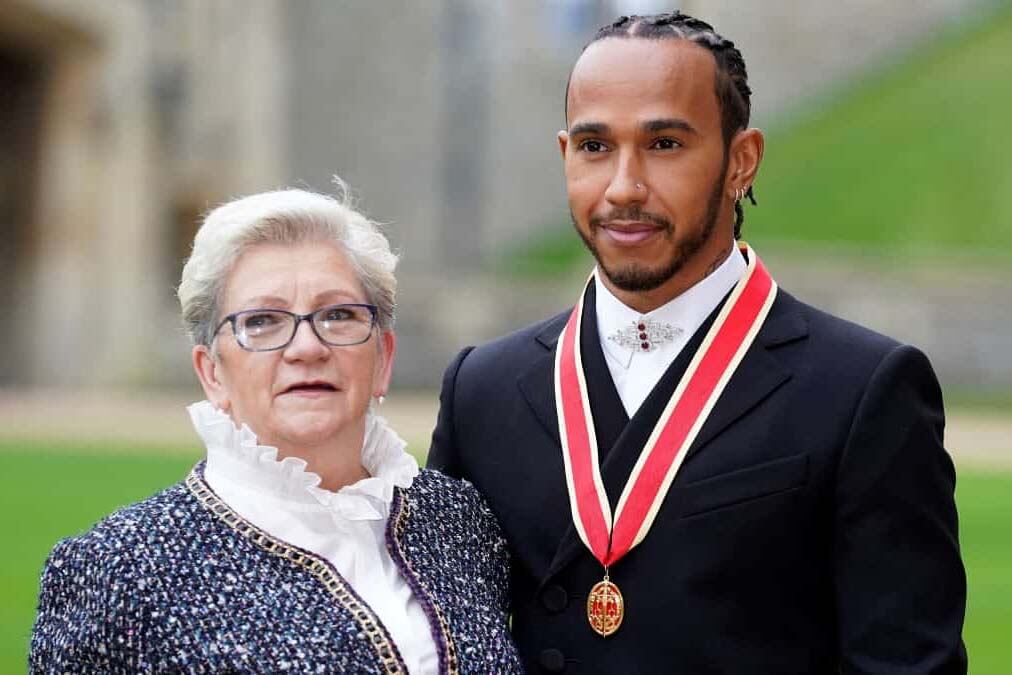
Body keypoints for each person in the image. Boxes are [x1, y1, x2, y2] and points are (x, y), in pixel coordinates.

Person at [428, 11, 966, 674]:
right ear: (566, 154)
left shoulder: (865, 388)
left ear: (741, 160)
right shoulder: (481, 388)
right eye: (596, 147)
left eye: (664, 145)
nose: (624, 186)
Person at [31, 186, 522, 673]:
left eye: (339, 315)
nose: (306, 347)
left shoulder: (457, 521)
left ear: (383, 359)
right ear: (212, 372)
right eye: (263, 320)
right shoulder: (120, 569)